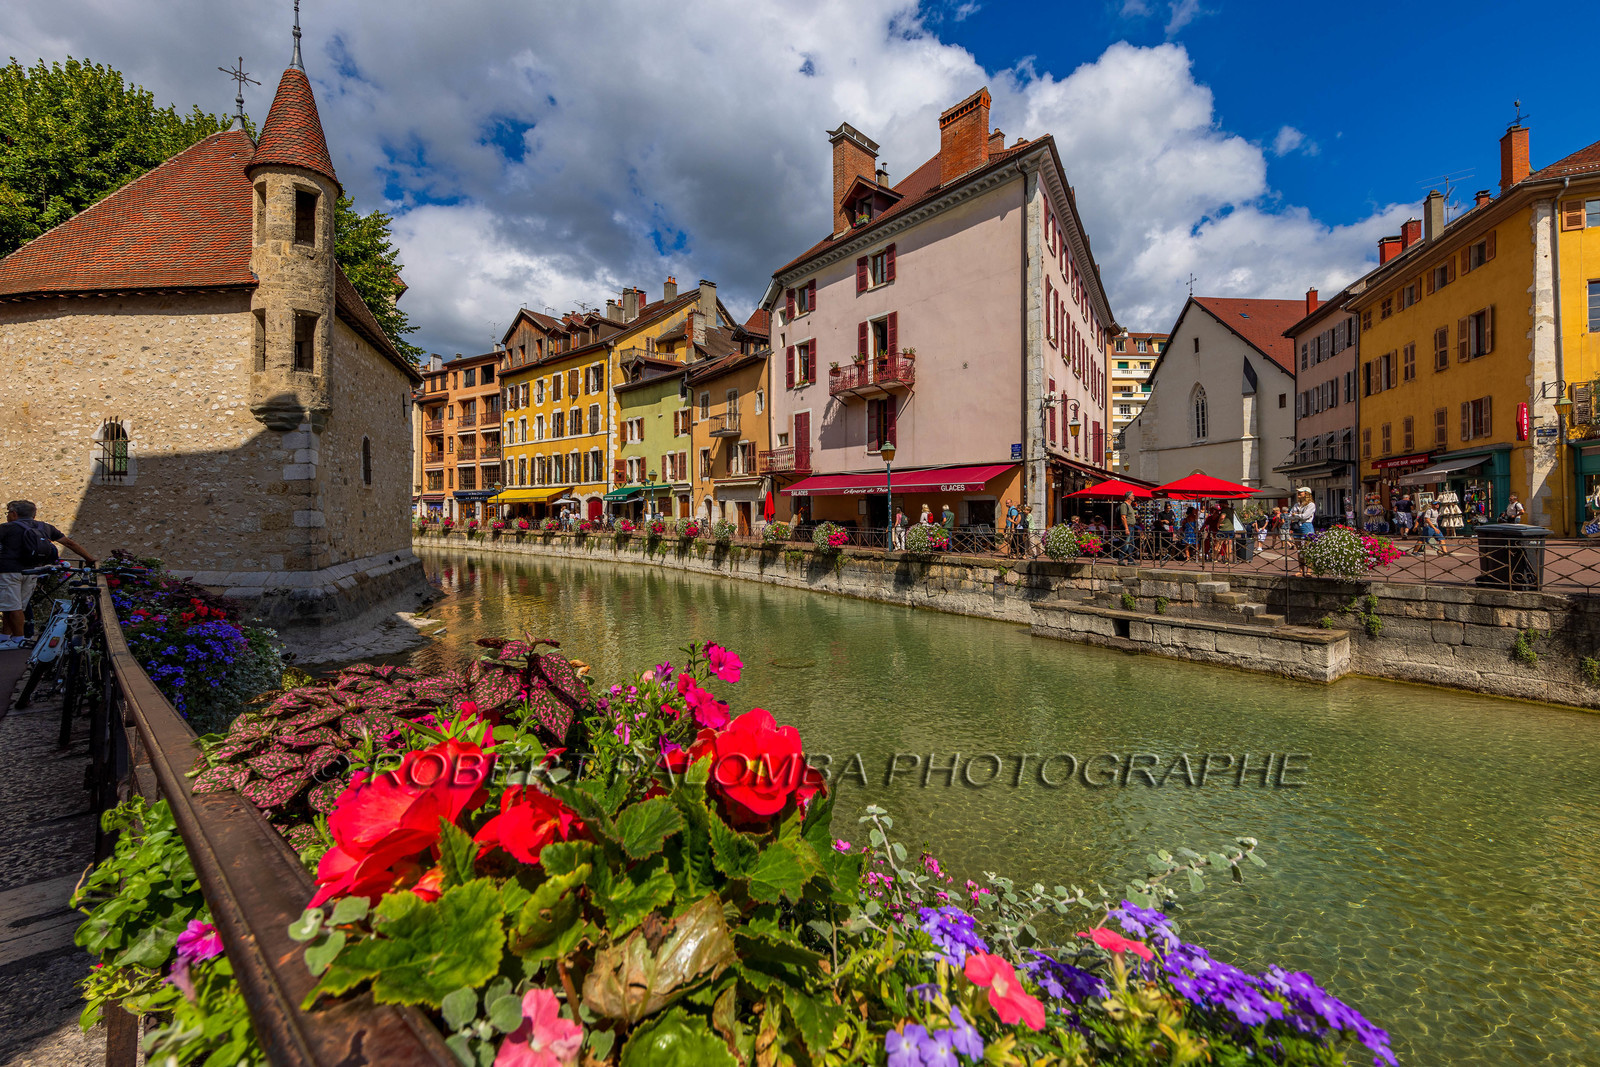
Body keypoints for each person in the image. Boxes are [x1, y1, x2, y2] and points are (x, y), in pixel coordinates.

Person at [0, 500, 95, 648]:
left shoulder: (6, 528)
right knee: (14, 606)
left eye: (8, 513)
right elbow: (69, 543)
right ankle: (4, 636)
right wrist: (89, 559)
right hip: (33, 572)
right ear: (34, 514)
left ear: (14, 514)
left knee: (12, 607)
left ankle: (18, 640)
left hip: (9, 571)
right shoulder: (44, 527)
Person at [1117, 492, 1137, 562]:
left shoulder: (1130, 505)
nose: (1134, 496)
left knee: (1131, 544)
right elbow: (1123, 517)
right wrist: (1126, 528)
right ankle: (1121, 559)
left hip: (1132, 526)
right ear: (1129, 497)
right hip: (1128, 526)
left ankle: (1130, 559)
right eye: (1133, 495)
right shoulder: (1124, 505)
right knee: (1126, 543)